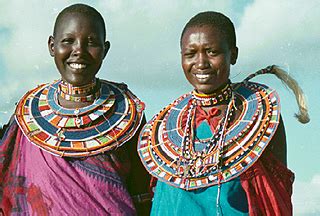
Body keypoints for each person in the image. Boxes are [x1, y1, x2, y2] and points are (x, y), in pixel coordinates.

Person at [137, 11, 309, 216]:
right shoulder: (168, 125)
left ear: (233, 54)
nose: (201, 63)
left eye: (212, 52)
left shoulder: (260, 116)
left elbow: (274, 194)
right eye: (190, 54)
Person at [0, 3, 151, 215]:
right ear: (52, 46)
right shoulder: (27, 117)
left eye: (91, 42)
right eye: (68, 41)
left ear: (105, 49)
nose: (78, 50)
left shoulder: (127, 112)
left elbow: (144, 191)